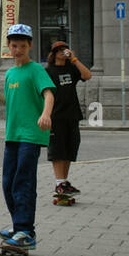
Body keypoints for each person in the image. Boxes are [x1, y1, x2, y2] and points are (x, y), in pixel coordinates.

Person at [0, 24, 55, 251]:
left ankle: (24, 230)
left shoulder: (36, 70)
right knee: (8, 182)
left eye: (23, 45)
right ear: (8, 48)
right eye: (14, 46)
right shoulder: (11, 73)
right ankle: (19, 226)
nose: (18, 49)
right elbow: (11, 103)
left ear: (30, 45)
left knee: (23, 181)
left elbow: (49, 94)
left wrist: (45, 114)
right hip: (12, 134)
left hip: (30, 135)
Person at [45, 40, 91, 203]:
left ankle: (64, 183)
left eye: (64, 49)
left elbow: (87, 75)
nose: (62, 52)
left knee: (70, 149)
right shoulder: (48, 71)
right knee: (57, 150)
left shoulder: (71, 68)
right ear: (53, 53)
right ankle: (59, 183)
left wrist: (75, 59)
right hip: (55, 116)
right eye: (59, 50)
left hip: (72, 114)